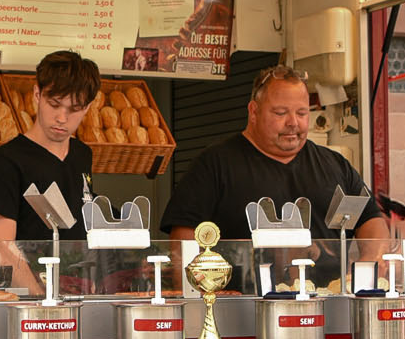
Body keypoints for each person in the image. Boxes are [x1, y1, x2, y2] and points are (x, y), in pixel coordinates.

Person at [163, 63, 388, 284]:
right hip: (240, 307)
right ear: (253, 111)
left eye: (302, 113)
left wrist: (370, 263)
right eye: (280, 113)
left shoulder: (335, 165)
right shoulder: (214, 165)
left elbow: (370, 219)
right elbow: (184, 236)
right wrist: (195, 295)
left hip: (327, 307)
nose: (293, 123)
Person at [0, 50, 100, 294]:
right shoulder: (7, 161)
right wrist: (38, 296)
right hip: (24, 298)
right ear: (37, 95)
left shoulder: (82, 155)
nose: (62, 118)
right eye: (54, 104)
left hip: (74, 292)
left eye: (74, 108)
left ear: (87, 108)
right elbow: (1, 246)